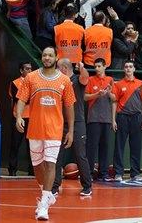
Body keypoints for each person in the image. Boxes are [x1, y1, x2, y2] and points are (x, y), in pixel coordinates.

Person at [15, 47, 76, 220]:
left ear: (56, 57)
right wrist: (19, 116)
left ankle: (43, 204)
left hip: (55, 130)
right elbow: (21, 99)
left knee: (51, 164)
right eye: (44, 55)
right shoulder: (31, 77)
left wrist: (70, 130)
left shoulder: (64, 80)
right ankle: (46, 193)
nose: (47, 57)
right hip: (34, 128)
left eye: (50, 55)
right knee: (37, 166)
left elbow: (69, 106)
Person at [53, 59, 93, 197]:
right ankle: (54, 186)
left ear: (64, 68)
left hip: (77, 123)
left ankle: (87, 186)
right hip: (61, 123)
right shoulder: (58, 81)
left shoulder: (77, 80)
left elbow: (85, 77)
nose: (56, 70)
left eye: (58, 67)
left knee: (80, 155)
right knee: (57, 156)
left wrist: (82, 68)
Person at [112, 60, 142, 182]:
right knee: (119, 146)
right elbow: (114, 102)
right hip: (122, 117)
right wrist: (113, 120)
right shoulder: (118, 84)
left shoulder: (140, 84)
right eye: (126, 67)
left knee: (136, 147)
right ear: (124, 69)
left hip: (136, 117)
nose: (128, 69)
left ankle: (135, 173)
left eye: (130, 67)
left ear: (134, 69)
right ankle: (118, 173)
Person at [84, 58, 116, 181]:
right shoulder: (91, 80)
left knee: (105, 147)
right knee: (91, 148)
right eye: (95, 66)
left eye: (99, 66)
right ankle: (89, 174)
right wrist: (97, 94)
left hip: (106, 118)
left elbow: (114, 98)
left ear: (105, 67)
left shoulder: (110, 80)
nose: (96, 69)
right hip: (94, 118)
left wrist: (108, 93)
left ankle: (104, 173)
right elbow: (85, 97)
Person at [8, 61, 33, 176]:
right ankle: (12, 170)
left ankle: (32, 170)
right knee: (15, 145)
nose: (29, 71)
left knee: (32, 147)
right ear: (21, 71)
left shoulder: (34, 83)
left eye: (30, 69)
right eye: (27, 69)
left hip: (32, 118)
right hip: (18, 117)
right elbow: (20, 99)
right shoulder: (15, 83)